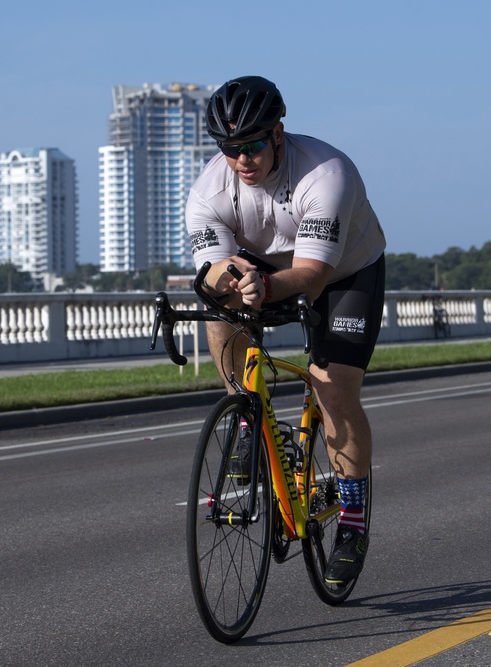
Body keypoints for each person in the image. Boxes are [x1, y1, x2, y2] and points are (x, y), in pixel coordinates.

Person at [186, 76, 386, 586]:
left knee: (334, 389)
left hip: (346, 273)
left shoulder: (326, 173)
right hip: (260, 263)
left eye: (252, 145)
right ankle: (247, 416)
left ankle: (354, 523)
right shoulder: (208, 191)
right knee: (219, 305)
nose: (241, 160)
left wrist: (264, 288)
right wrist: (222, 281)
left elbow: (313, 276)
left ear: (278, 133)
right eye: (229, 149)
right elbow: (212, 269)